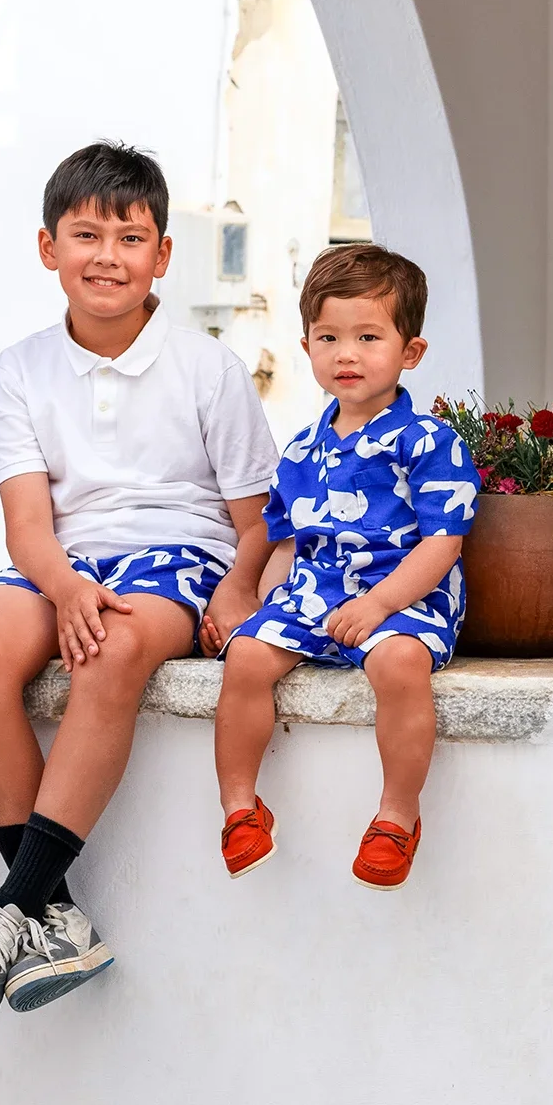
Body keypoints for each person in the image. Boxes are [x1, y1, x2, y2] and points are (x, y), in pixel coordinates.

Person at [0, 142, 277, 1029]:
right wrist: (64, 584)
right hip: (60, 559)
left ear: (163, 254)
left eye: (131, 238)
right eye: (86, 235)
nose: (108, 257)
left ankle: (10, 910)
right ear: (49, 248)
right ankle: (56, 918)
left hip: (179, 554)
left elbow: (259, 521)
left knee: (113, 650)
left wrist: (238, 588)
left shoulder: (209, 368)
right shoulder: (21, 369)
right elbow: (26, 526)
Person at [213, 243, 478, 887]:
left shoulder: (428, 441)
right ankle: (240, 808)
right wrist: (261, 604)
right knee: (245, 656)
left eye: (368, 337)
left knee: (399, 663)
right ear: (307, 347)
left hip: (403, 596)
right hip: (315, 594)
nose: (346, 354)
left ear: (410, 351)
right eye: (328, 338)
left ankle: (397, 815)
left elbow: (442, 544)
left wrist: (380, 604)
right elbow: (284, 539)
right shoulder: (302, 449)